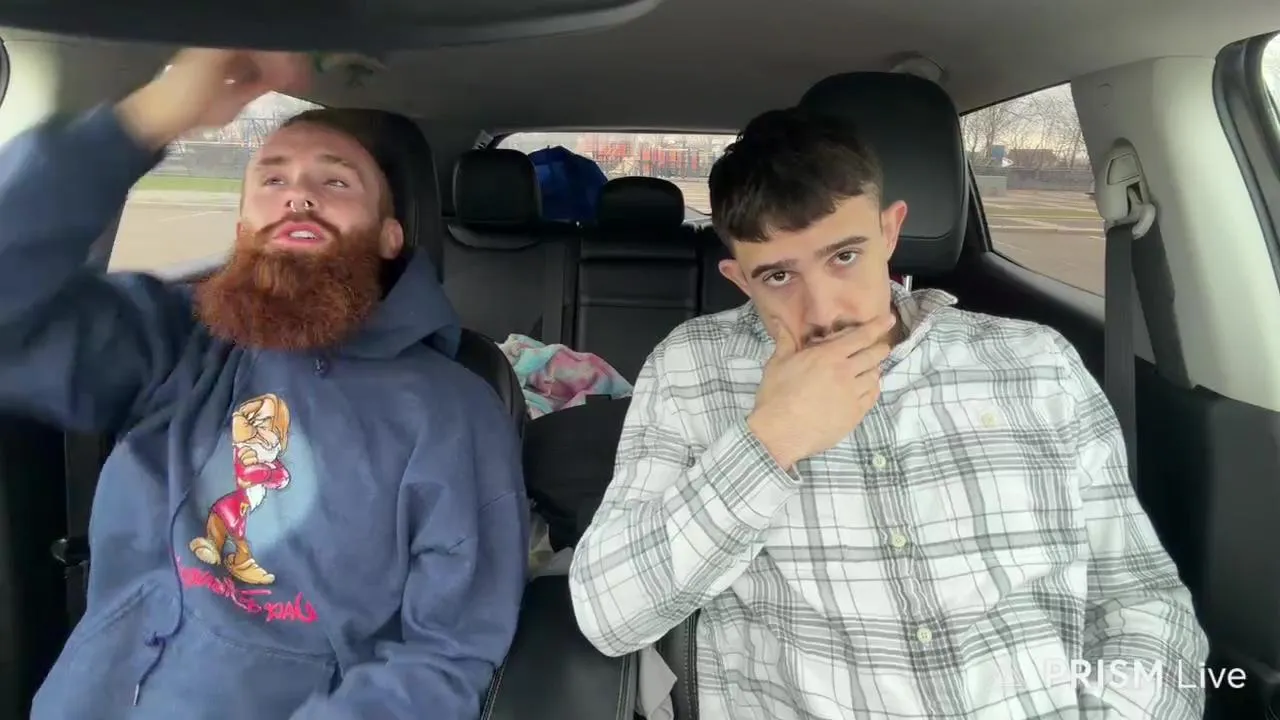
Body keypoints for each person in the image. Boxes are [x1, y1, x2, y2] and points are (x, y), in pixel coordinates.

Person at [568, 106, 1209, 719]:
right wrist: (769, 443)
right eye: (778, 278)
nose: (824, 312)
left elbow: (1141, 601)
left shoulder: (1036, 362)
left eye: (844, 256)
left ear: (889, 232)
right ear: (740, 279)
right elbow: (609, 616)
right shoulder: (692, 369)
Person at [0, 49, 528, 719]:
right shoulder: (176, 344)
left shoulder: (454, 410)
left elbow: (446, 654)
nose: (298, 194)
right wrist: (148, 118)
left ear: (390, 236)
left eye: (336, 182)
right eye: (272, 178)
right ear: (243, 225)